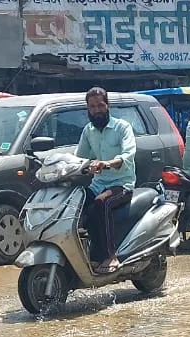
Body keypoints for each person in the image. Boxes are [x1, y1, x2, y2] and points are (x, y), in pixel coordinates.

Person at [73, 87, 138, 275]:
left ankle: (111, 256)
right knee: (74, 201)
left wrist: (107, 164)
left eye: (100, 105)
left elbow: (127, 156)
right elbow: (80, 157)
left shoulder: (122, 127)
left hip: (121, 184)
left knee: (102, 203)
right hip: (97, 184)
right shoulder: (88, 130)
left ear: (107, 105)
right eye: (92, 106)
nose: (97, 110)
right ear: (87, 109)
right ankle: (86, 254)